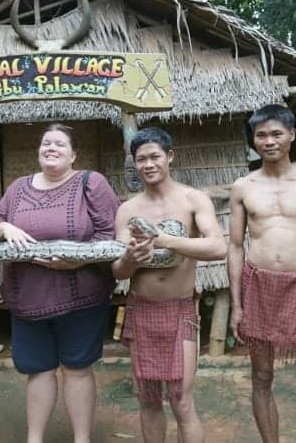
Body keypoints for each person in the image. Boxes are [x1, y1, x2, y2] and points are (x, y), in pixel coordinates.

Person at [0, 123, 120, 443]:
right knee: (38, 369)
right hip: (27, 298)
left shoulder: (91, 183)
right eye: (46, 143)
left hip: (81, 298)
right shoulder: (18, 187)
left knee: (77, 369)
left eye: (60, 144)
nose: (51, 148)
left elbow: (110, 236)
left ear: (74, 154)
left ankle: (82, 439)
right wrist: (4, 228)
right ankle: (35, 439)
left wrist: (80, 259)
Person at [227, 104, 296, 443]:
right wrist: (237, 304)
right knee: (261, 378)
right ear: (253, 140)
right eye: (261, 135)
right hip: (258, 286)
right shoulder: (243, 187)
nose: (269, 141)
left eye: (276, 134)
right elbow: (234, 247)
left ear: (292, 135)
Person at [112, 127, 227, 443]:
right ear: (134, 164)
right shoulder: (128, 210)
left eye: (154, 156)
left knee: (181, 399)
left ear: (169, 156)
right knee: (147, 399)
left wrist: (165, 240)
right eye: (141, 159)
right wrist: (133, 258)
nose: (148, 164)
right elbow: (118, 272)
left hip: (180, 309)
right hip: (141, 309)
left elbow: (217, 247)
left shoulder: (193, 199)